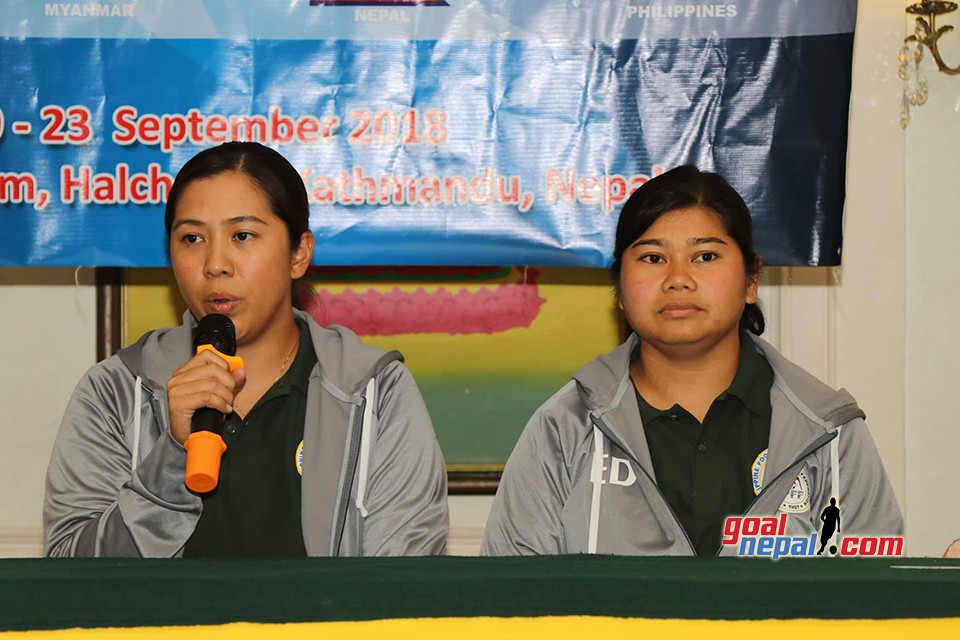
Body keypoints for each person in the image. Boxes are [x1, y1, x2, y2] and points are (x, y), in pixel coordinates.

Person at [44, 142, 448, 557]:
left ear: (299, 254)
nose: (215, 263)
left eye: (242, 235)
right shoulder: (116, 391)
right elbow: (71, 575)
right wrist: (173, 457)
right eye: (192, 238)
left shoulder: (374, 391)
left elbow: (405, 580)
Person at [482, 165, 902, 556]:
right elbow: (509, 601)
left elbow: (875, 602)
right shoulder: (564, 429)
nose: (678, 278)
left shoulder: (829, 431)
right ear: (621, 290)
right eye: (652, 258)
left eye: (705, 256)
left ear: (752, 279)